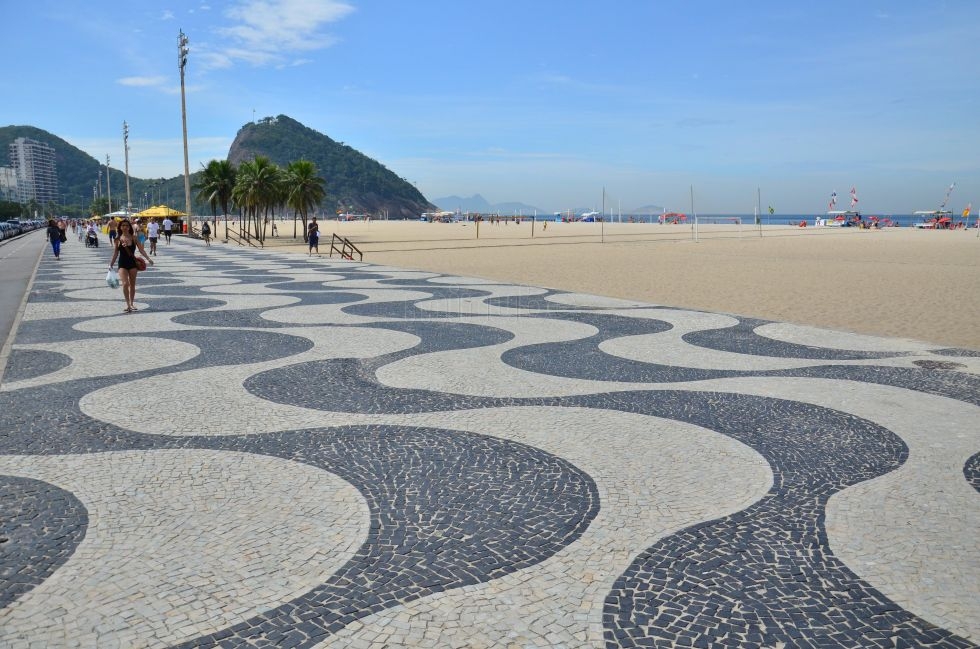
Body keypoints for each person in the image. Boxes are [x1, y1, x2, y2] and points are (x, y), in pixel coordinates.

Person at [108, 219, 154, 313]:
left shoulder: (134, 238)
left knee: (132, 284)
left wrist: (148, 259)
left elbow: (141, 250)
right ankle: (127, 304)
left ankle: (132, 304)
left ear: (129, 227)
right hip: (122, 264)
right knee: (125, 284)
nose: (125, 227)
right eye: (123, 225)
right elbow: (116, 253)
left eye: (127, 225)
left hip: (133, 263)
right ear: (120, 227)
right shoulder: (118, 239)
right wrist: (111, 264)